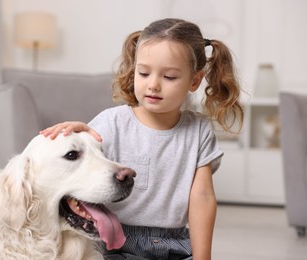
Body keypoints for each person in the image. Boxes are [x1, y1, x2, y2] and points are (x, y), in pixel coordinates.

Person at [40, 18, 243, 260]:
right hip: (116, 242)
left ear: (194, 81)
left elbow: (202, 198)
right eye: (144, 73)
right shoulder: (112, 122)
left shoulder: (199, 130)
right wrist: (79, 135)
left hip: (175, 245)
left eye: (169, 77)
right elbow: (83, 163)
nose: (153, 85)